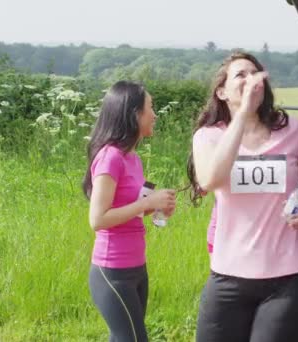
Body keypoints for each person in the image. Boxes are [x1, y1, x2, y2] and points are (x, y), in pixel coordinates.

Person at [188, 52, 298, 342]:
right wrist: (242, 116)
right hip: (229, 275)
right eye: (241, 74)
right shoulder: (208, 137)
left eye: (256, 73)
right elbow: (209, 179)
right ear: (222, 92)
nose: (251, 79)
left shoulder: (293, 130)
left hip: (291, 277)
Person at [83, 81, 176, 342]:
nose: (155, 114)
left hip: (137, 268)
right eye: (151, 107)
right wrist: (147, 204)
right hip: (112, 271)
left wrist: (156, 207)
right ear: (134, 114)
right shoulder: (110, 157)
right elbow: (98, 219)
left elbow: (128, 212)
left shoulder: (132, 158)